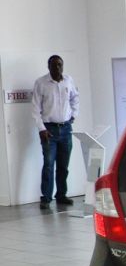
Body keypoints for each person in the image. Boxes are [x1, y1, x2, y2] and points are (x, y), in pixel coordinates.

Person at [31, 55, 79, 209]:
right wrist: (41, 129)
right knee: (49, 165)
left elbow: (75, 98)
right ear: (48, 66)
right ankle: (46, 197)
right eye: (54, 65)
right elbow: (35, 108)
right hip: (49, 130)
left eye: (60, 65)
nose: (58, 68)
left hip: (65, 128)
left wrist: (74, 115)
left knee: (64, 165)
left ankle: (61, 195)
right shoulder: (41, 83)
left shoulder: (68, 80)